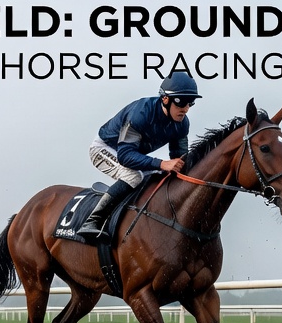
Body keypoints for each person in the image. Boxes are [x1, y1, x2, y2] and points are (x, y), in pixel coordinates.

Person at [74, 72, 200, 242]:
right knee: (134, 176)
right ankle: (92, 221)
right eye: (180, 101)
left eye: (190, 102)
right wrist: (161, 163)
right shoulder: (140, 114)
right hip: (105, 149)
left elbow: (179, 160)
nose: (185, 108)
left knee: (156, 179)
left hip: (130, 153)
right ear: (165, 99)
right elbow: (125, 156)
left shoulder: (182, 124)